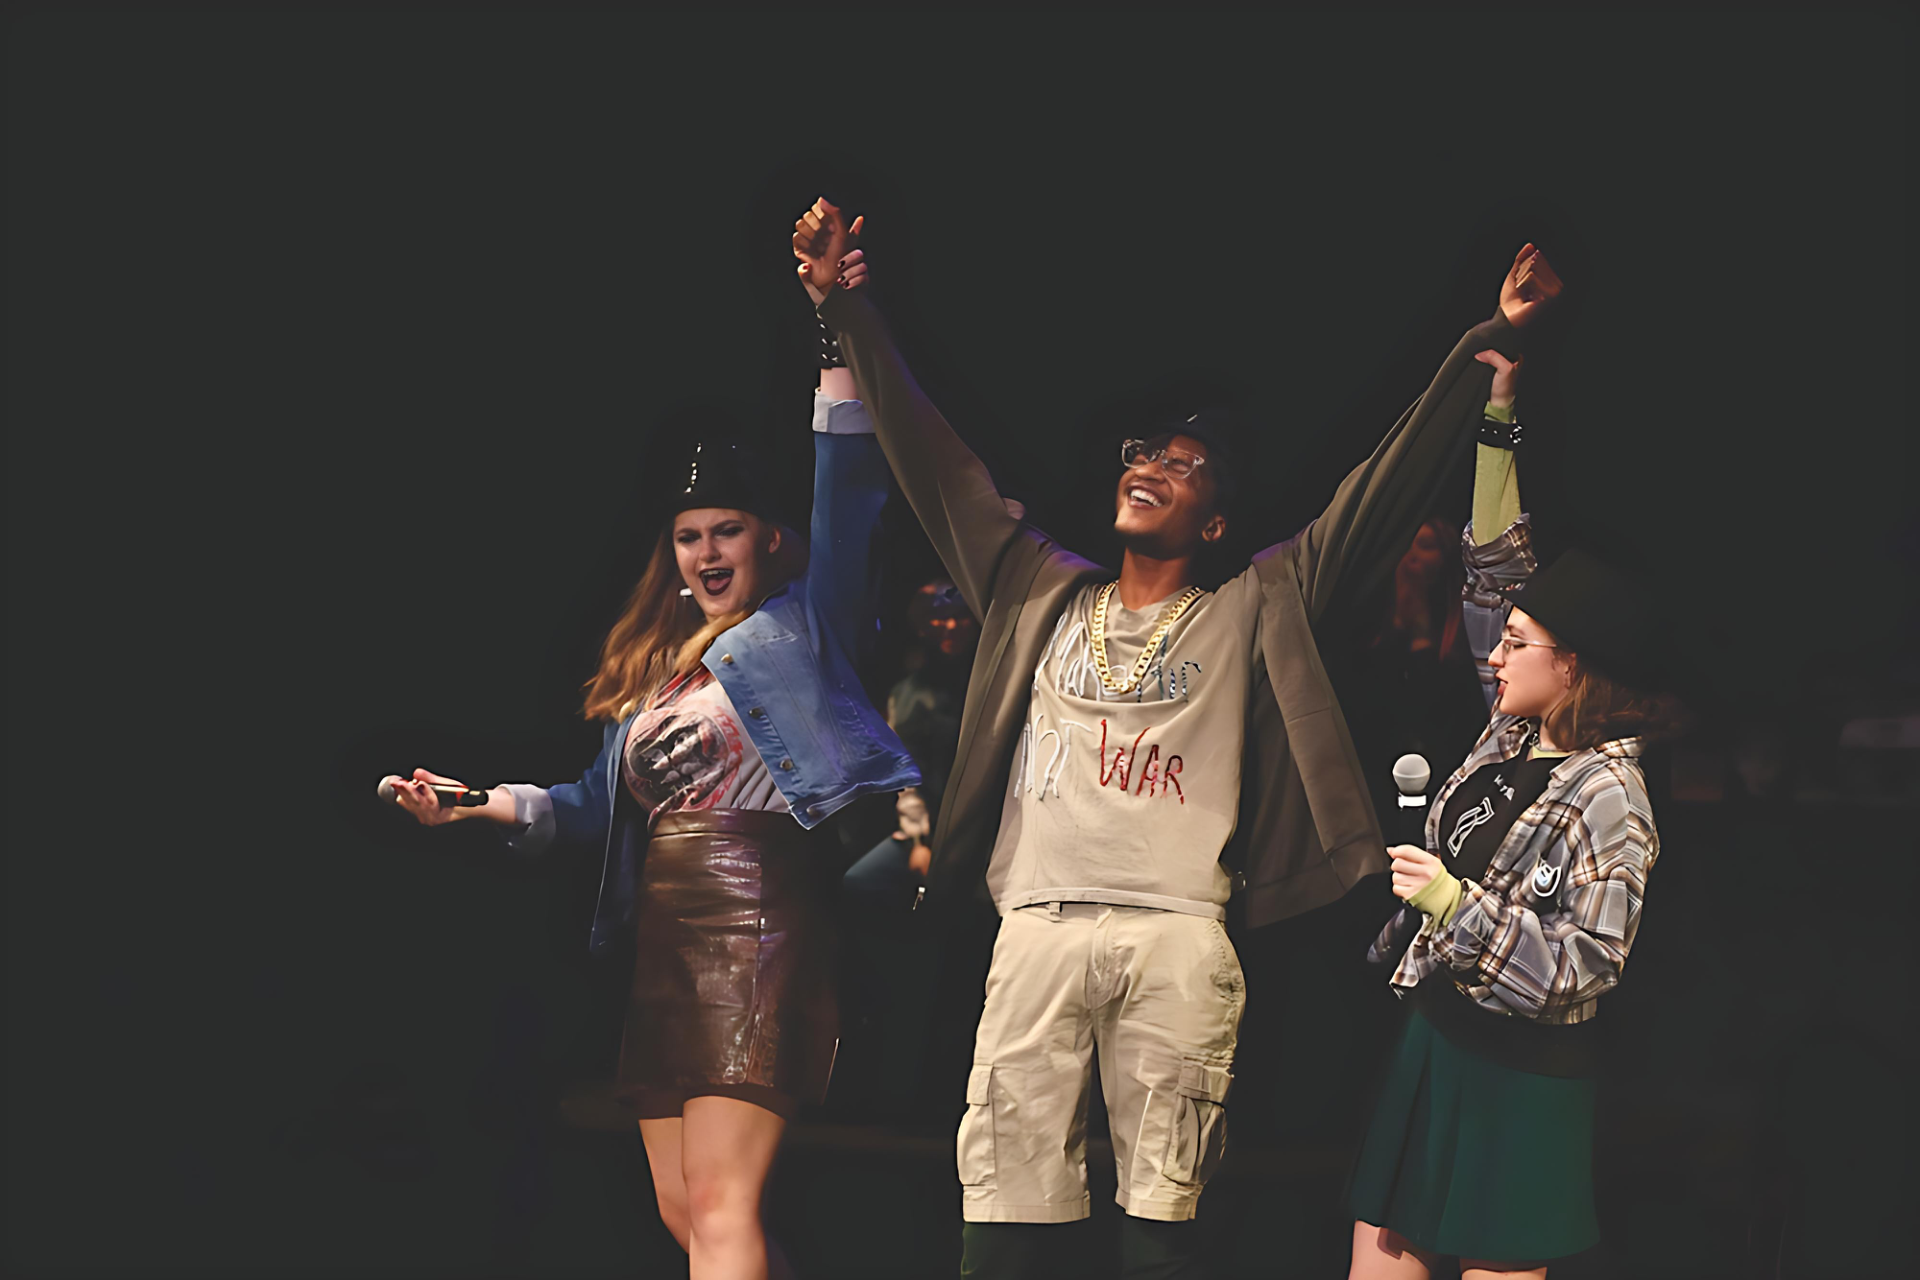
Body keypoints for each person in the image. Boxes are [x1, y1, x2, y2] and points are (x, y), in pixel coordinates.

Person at [793, 197, 1561, 1279]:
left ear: (1215, 522)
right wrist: (845, 309)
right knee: (1005, 1196)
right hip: (1040, 925)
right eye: (1143, 448)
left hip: (1176, 931)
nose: (1150, 461)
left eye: (1185, 463)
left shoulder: (1257, 601)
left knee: (1163, 1207)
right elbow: (934, 460)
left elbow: (1379, 494)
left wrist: (1492, 340)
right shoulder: (1034, 588)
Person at [380, 255, 917, 1280]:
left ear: (765, 538)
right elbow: (588, 806)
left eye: (725, 531)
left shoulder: (806, 629)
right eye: (688, 536)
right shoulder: (657, 682)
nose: (707, 551)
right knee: (686, 1210)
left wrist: (833, 334)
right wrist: (470, 806)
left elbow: (849, 493)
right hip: (664, 938)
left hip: (757, 916)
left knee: (722, 1205)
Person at [1348, 351, 1691, 1279]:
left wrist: (1457, 909)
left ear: (1572, 663)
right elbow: (1494, 567)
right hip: (1437, 1042)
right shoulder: (1508, 739)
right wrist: (1499, 416)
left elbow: (1586, 967)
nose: (1495, 653)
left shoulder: (1609, 796)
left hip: (1520, 1078)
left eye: (1517, 643)